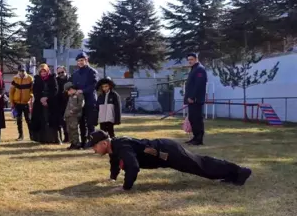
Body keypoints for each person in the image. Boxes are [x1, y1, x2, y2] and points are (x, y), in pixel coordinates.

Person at [89, 130, 252, 191]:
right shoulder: (114, 147)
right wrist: (112, 178)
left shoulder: (121, 146)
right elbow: (115, 162)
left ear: (104, 143)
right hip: (164, 151)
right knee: (201, 164)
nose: (93, 150)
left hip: (168, 152)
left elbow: (133, 166)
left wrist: (125, 187)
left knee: (201, 166)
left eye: (95, 146)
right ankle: (232, 174)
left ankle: (240, 172)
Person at [71, 52, 99, 146]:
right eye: (78, 61)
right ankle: (83, 142)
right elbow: (73, 85)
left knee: (90, 122)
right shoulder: (75, 74)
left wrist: (82, 90)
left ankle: (92, 142)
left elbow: (94, 85)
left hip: (90, 100)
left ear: (86, 60)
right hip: (79, 101)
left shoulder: (92, 71)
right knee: (81, 122)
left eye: (82, 60)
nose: (80, 62)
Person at [31, 64, 60, 144]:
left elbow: (55, 90)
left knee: (51, 120)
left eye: (44, 71)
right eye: (41, 72)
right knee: (41, 120)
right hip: (39, 103)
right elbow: (35, 91)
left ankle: (53, 138)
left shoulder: (52, 78)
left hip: (51, 102)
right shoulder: (37, 79)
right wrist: (41, 99)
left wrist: (47, 98)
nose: (43, 73)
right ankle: (42, 139)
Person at [184, 53, 207, 145]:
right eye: (188, 59)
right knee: (192, 118)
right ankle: (195, 137)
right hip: (191, 100)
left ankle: (198, 139)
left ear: (196, 59)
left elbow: (199, 85)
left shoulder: (200, 69)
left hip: (196, 100)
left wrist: (193, 97)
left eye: (192, 59)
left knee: (197, 119)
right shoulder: (194, 69)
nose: (190, 61)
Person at [9, 65, 33, 141]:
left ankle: (31, 135)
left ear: (25, 71)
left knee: (28, 119)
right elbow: (11, 91)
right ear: (18, 71)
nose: (22, 72)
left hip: (26, 103)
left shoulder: (30, 78)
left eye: (23, 71)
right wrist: (12, 102)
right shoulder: (15, 79)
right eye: (20, 71)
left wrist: (30, 96)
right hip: (17, 103)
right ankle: (20, 136)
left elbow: (32, 90)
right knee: (19, 120)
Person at [63, 82, 85, 150]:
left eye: (68, 91)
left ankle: (77, 144)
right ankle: (72, 143)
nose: (67, 93)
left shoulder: (79, 95)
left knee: (74, 129)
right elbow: (68, 107)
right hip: (69, 116)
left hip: (75, 116)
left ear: (71, 89)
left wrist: (74, 110)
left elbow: (81, 104)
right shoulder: (71, 97)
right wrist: (65, 115)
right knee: (69, 130)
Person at [56, 66, 70, 143]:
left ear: (65, 71)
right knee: (62, 121)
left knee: (70, 121)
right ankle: (64, 137)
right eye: (59, 73)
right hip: (59, 103)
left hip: (69, 102)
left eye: (62, 72)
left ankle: (71, 137)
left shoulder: (70, 79)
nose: (61, 74)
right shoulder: (56, 80)